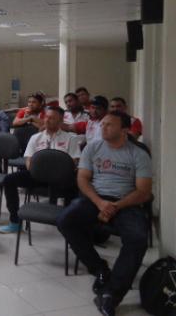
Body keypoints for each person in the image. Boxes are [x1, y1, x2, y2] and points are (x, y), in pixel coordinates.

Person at [57, 111, 152, 316]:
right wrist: (100, 203)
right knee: (66, 220)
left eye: (109, 125)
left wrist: (115, 206)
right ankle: (99, 268)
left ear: (125, 130)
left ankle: (111, 294)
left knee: (137, 238)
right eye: (103, 124)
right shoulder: (93, 148)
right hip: (95, 198)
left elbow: (144, 192)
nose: (103, 127)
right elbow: (82, 180)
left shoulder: (138, 154)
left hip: (126, 203)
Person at [0, 106, 80, 234]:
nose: (47, 120)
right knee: (9, 180)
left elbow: (74, 162)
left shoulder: (71, 138)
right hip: (38, 176)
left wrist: (57, 171)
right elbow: (29, 161)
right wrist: (38, 170)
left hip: (62, 178)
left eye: (52, 118)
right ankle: (15, 221)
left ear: (60, 121)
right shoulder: (36, 137)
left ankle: (68, 225)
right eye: (46, 117)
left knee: (76, 185)